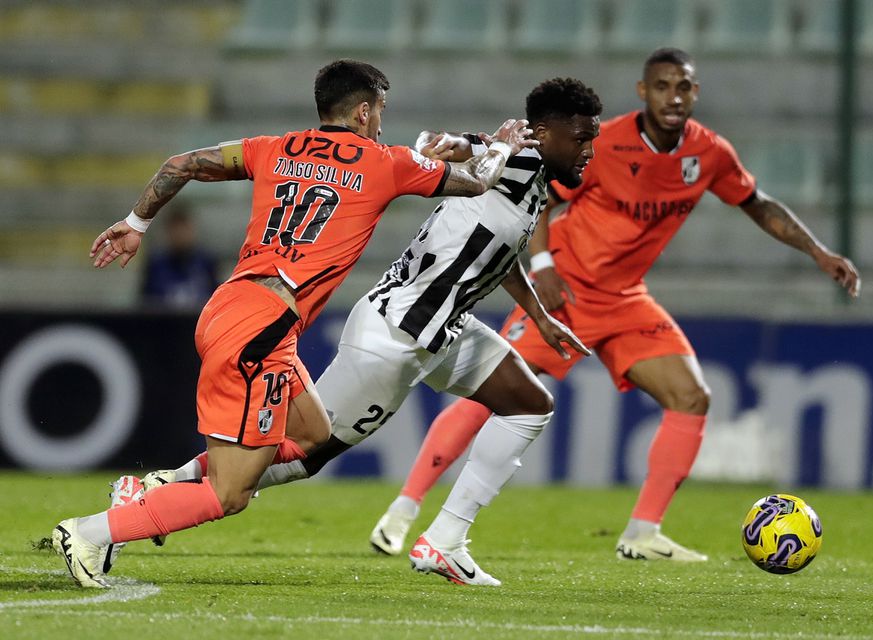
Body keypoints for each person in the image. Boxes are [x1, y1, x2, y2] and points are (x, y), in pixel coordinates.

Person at [52, 58, 536, 589]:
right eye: (379, 112)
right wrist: (504, 145)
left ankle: (148, 492)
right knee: (230, 493)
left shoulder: (273, 147)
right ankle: (93, 532)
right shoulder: (381, 161)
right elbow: (479, 182)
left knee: (313, 434)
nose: (379, 123)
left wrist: (135, 223)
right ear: (363, 109)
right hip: (260, 327)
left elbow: (182, 162)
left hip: (235, 305)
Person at [369, 47, 862, 564]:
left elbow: (757, 204)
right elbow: (539, 202)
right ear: (644, 92)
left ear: (695, 93)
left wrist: (818, 252)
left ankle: (643, 533)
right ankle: (404, 510)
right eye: (663, 86)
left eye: (684, 87)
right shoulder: (602, 144)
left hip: (626, 298)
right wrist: (544, 270)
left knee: (691, 397)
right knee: (490, 391)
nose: (674, 96)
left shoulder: (709, 153)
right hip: (567, 290)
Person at [141, 204, 220, 308]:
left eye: (183, 228)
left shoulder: (207, 263)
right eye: (175, 229)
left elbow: (216, 300)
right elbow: (145, 304)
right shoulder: (156, 265)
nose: (179, 234)